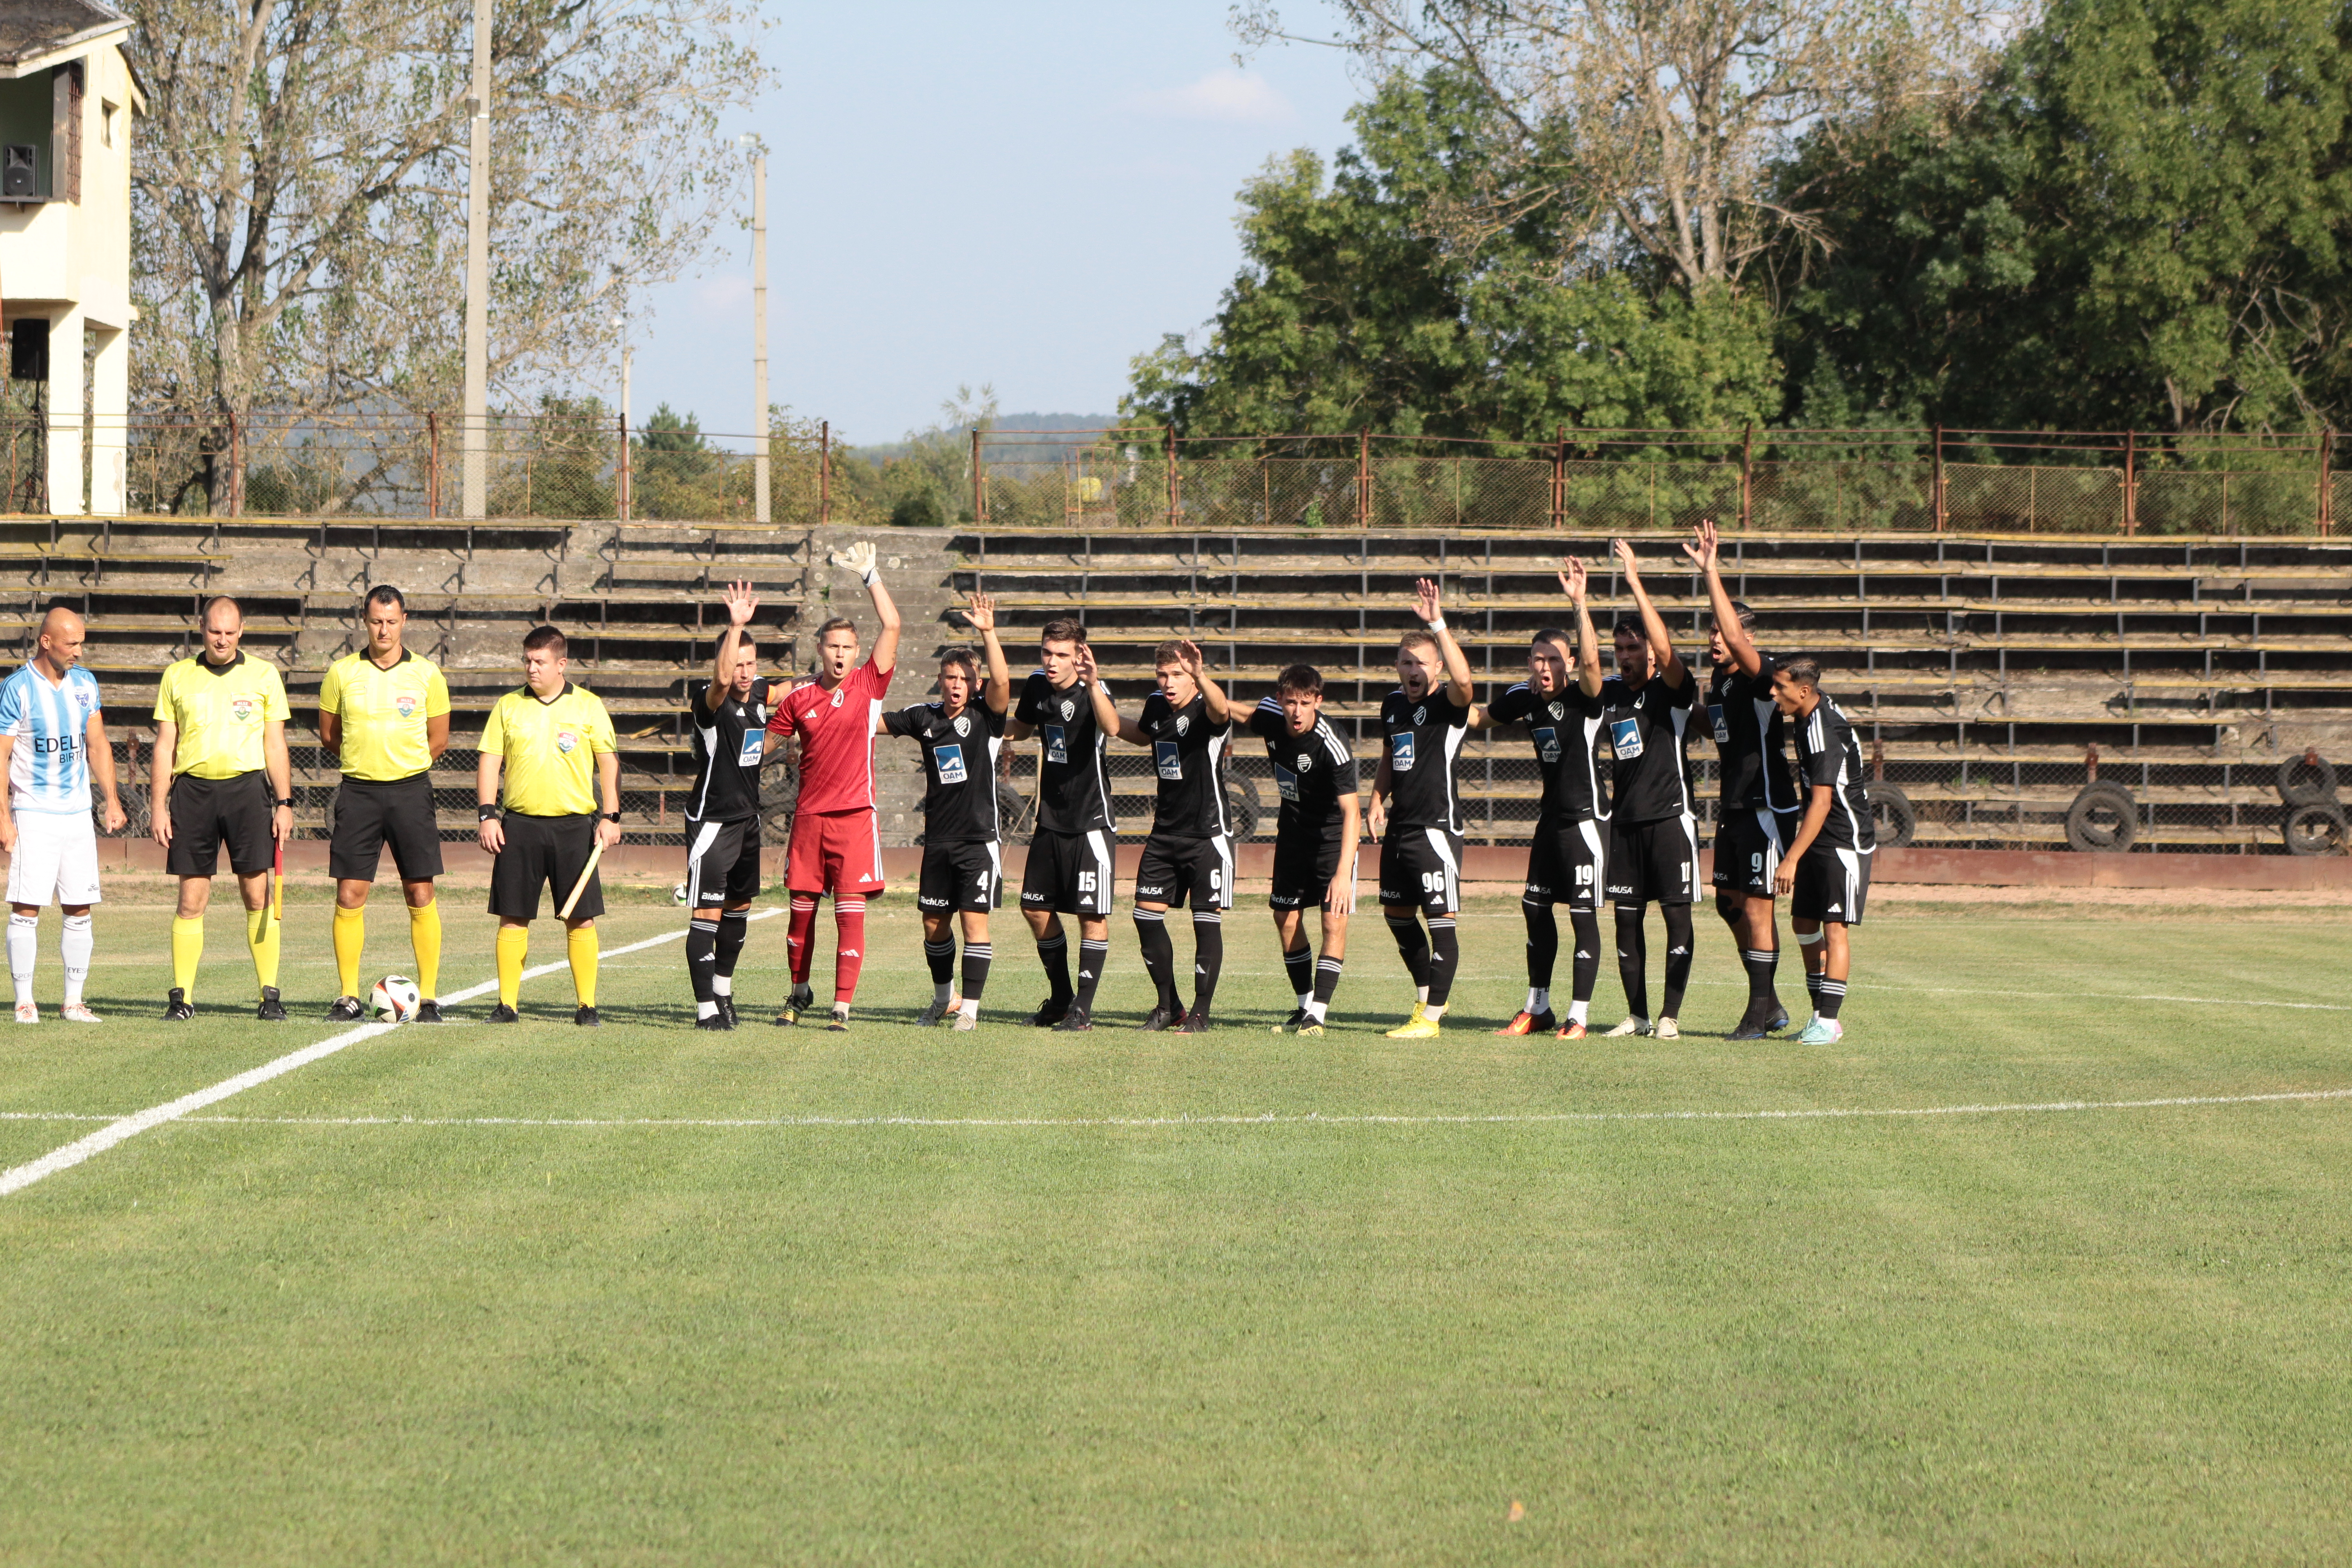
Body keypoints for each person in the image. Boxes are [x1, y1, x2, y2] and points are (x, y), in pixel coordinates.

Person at [764, 541, 901, 1029]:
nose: (840, 655)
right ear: (820, 650)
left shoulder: (869, 685)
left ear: (856, 653)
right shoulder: (798, 698)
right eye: (832, 647)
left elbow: (893, 626)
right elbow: (763, 747)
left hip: (854, 819)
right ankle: (799, 992)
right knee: (800, 916)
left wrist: (870, 575)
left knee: (849, 915)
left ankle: (841, 1005)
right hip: (808, 820)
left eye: (847, 648)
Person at [150, 596, 294, 1020]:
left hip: (248, 792)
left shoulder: (265, 675)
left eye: (231, 633)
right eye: (215, 631)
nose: (223, 640)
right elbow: (164, 745)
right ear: (201, 627)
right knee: (191, 898)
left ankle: (270, 996)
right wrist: (159, 806)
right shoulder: (177, 676)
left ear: (242, 631)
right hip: (192, 793)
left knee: (257, 893)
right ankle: (183, 999)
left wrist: (284, 803)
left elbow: (275, 744)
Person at [316, 585, 453, 1023]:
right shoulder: (341, 673)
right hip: (358, 794)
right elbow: (329, 736)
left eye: (392, 622)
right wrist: (366, 763)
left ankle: (428, 995)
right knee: (350, 893)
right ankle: (347, 995)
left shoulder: (428, 674)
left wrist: (403, 768)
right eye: (377, 621)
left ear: (405, 621)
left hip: (411, 792)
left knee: (420, 891)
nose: (384, 630)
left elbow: (439, 739)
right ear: (365, 620)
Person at [1485, 560, 1609, 1040]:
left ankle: (1579, 1015)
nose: (1545, 667)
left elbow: (1596, 665)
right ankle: (1538, 1007)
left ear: (1570, 663)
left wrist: (1580, 603)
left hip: (1585, 823)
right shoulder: (1524, 698)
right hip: (1550, 822)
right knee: (1535, 909)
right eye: (1538, 659)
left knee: (1582, 914)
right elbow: (1475, 720)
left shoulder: (1587, 696)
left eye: (1554, 659)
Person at [1685, 518, 1798, 1039]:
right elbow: (1714, 726)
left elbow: (1732, 629)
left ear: (1747, 639)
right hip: (1733, 808)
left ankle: (1757, 1012)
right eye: (1710, 633)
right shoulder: (1720, 682)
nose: (1716, 638)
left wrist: (1711, 571)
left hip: (1765, 808)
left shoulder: (1761, 676)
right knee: (1728, 901)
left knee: (1757, 905)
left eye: (1723, 631)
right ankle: (1770, 1002)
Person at [476, 625, 622, 1025]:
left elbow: (609, 762)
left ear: (562, 664)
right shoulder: (508, 706)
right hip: (519, 825)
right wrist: (488, 813)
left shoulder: (588, 706)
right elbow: (490, 759)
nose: (531, 668)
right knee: (513, 915)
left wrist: (610, 816)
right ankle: (508, 1005)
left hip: (575, 827)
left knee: (582, 917)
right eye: (527, 660)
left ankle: (586, 1006)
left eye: (539, 662)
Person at [882, 592, 1011, 1030]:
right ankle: (945, 999)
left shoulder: (986, 716)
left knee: (975, 921)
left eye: (964, 679)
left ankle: (971, 1011)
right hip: (938, 840)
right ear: (940, 679)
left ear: (975, 684)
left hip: (978, 840)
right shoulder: (925, 718)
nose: (956, 685)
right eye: (950, 677)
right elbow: (875, 722)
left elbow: (1003, 686)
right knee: (934, 922)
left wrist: (988, 634)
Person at [0, 606, 126, 1023]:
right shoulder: (17, 688)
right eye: (72, 644)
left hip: (76, 813)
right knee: (27, 907)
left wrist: (111, 799)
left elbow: (97, 745)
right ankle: (24, 1002)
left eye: (82, 644)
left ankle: (73, 1002)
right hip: (33, 812)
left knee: (80, 907)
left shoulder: (85, 684)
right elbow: (0, 756)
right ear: (47, 641)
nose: (79, 653)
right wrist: (4, 817)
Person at [1598, 538, 1701, 1039]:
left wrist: (1634, 580)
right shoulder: (1613, 694)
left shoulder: (1672, 690)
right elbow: (1580, 688)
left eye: (1632, 649)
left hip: (1670, 818)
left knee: (1676, 916)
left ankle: (1669, 1016)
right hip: (1626, 823)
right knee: (1625, 922)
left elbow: (1666, 650)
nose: (1625, 657)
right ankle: (1637, 1015)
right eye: (1618, 649)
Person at [1367, 578, 1475, 1039]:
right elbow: (1392, 755)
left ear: (1436, 669)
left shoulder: (1447, 703)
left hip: (1436, 829)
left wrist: (1437, 624)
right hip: (1400, 830)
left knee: (1440, 922)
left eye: (1423, 664)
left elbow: (1467, 681)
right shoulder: (1392, 705)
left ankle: (1429, 1019)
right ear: (1397, 665)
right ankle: (1430, 995)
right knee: (1397, 916)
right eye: (1407, 662)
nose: (1414, 671)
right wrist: (1376, 800)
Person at [1117, 638, 1235, 1032]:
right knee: (1144, 917)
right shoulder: (1156, 705)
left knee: (1206, 922)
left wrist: (1202, 675)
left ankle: (1200, 1013)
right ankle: (1170, 1007)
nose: (1168, 683)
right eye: (1163, 674)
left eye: (1177, 675)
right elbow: (1139, 735)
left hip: (1208, 834)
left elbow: (1223, 711)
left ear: (1192, 678)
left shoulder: (1207, 706)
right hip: (1164, 833)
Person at [1006, 617, 1118, 1032]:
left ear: (1080, 655)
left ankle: (1082, 1011)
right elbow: (1021, 727)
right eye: (1047, 653)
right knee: (1034, 908)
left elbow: (1111, 728)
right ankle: (1061, 999)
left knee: (1091, 916)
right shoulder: (1037, 685)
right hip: (1050, 821)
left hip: (1091, 822)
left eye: (1061, 655)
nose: (1052, 662)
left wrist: (1093, 683)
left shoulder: (1094, 689)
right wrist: (986, 728)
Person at [1249, 663, 1359, 1036]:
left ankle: (1319, 1014)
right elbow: (1230, 709)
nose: (1297, 711)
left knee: (1333, 920)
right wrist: (1199, 683)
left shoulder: (1332, 741)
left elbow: (1352, 812)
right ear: (1279, 699)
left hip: (1332, 841)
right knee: (1286, 918)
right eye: (1291, 702)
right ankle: (1303, 1007)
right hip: (1293, 837)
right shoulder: (1269, 715)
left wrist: (1344, 874)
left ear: (1318, 701)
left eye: (1305, 703)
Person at [681, 580, 772, 1030]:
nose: (745, 672)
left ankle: (723, 994)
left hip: (747, 821)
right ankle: (704, 1012)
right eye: (738, 663)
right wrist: (735, 626)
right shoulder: (709, 703)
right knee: (708, 914)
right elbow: (720, 680)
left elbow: (791, 691)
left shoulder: (757, 696)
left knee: (738, 913)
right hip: (713, 823)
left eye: (751, 664)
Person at [1771, 657, 1874, 1044]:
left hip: (1844, 839)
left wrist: (1791, 859)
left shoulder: (1823, 729)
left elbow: (1822, 803)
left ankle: (1829, 1023)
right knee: (1803, 924)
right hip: (1820, 837)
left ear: (1803, 691)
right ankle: (1819, 1015)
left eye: (1779, 687)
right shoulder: (1808, 712)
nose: (1773, 693)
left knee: (1835, 929)